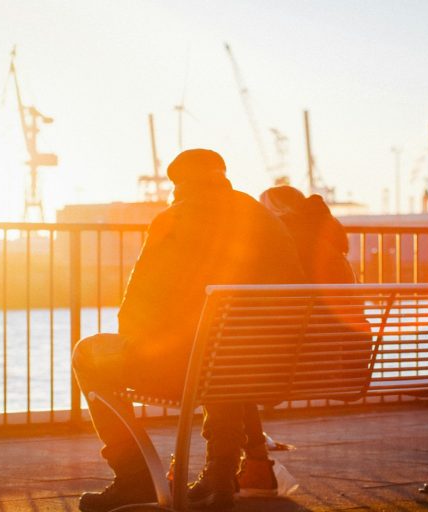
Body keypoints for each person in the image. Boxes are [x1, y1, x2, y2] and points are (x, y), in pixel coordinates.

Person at [73, 149, 305, 512]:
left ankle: (134, 477)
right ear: (222, 176)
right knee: (227, 354)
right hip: (268, 365)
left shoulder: (174, 217)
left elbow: (136, 308)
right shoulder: (263, 217)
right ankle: (219, 477)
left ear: (178, 183)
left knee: (87, 354)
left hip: (197, 366)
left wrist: (140, 342)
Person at [234, 185, 358, 498]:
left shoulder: (285, 246)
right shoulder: (331, 247)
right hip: (339, 365)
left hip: (298, 364)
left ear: (275, 213)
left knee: (225, 371)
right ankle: (250, 465)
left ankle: (249, 465)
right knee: (228, 369)